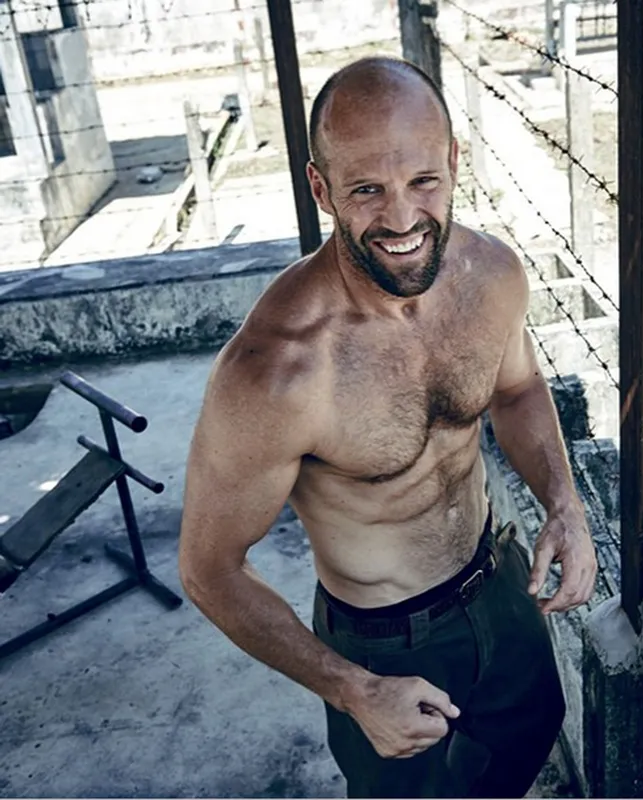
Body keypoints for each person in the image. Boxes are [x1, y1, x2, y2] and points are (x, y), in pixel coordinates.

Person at [178, 56, 597, 798]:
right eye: (367, 190)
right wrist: (353, 689)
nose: (402, 220)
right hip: (382, 644)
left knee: (527, 744)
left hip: (500, 580)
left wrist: (565, 505)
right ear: (321, 189)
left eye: (423, 181)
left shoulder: (491, 276)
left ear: (454, 161)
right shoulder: (277, 371)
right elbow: (210, 569)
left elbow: (519, 388)